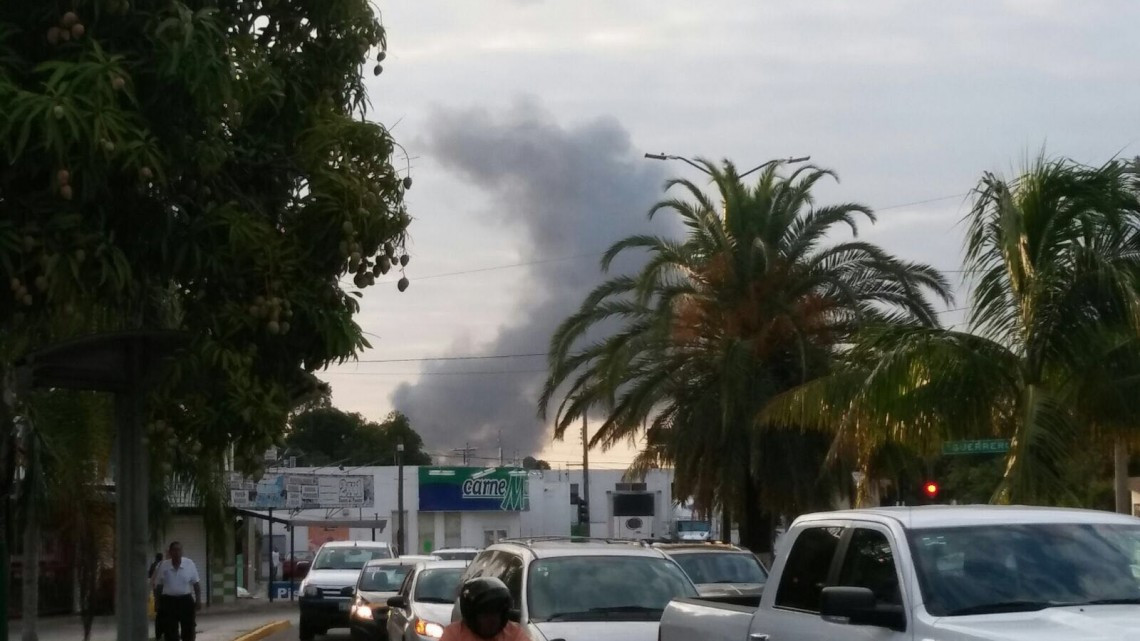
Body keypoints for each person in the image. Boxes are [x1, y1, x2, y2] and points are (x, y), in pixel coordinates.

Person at [440, 577, 527, 641]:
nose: (491, 619)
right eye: (485, 614)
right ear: (471, 615)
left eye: (496, 613)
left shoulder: (514, 633)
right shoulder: (454, 634)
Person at [152, 541, 201, 641]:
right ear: (170, 552)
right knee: (170, 632)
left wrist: (198, 600)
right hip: (169, 602)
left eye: (179, 550)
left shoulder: (189, 564)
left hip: (185, 601)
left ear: (182, 552)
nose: (176, 552)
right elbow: (159, 586)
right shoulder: (164, 566)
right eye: (174, 550)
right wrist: (157, 601)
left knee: (189, 631)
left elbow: (196, 584)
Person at [148, 552, 165, 640]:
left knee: (158, 604)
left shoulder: (153, 565)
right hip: (161, 587)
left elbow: (149, 575)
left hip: (156, 587)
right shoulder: (162, 564)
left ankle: (157, 609)